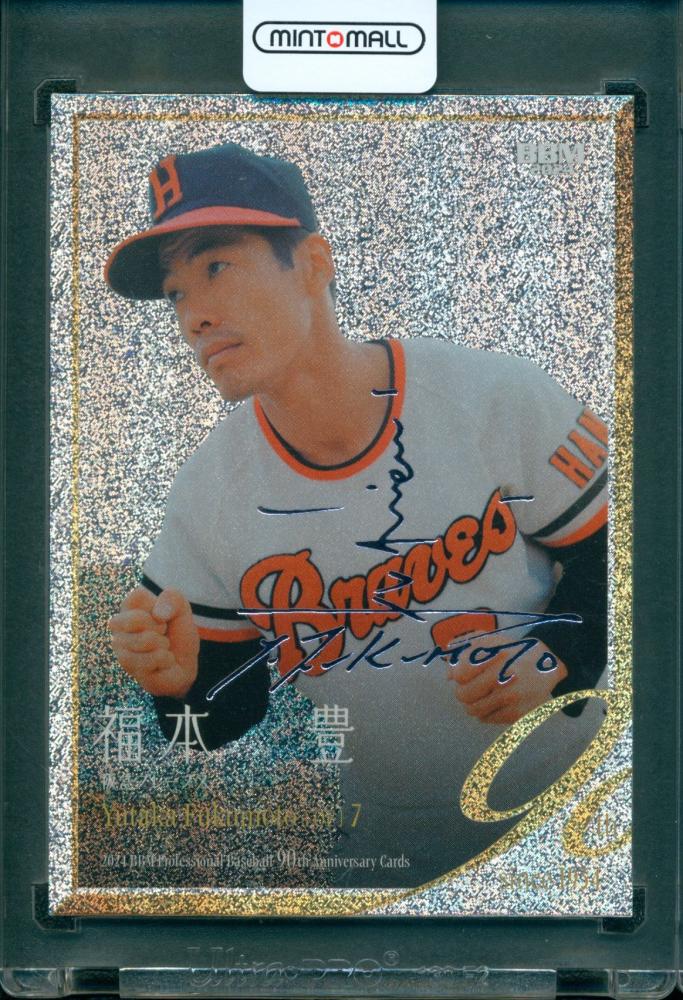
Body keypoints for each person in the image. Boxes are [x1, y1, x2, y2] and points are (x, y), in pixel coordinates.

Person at [105, 142, 608, 886]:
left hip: (579, 797)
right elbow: (213, 724)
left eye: (216, 266)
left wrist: (561, 654)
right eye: (176, 293)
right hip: (393, 839)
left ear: (313, 263)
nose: (194, 316)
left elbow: (634, 559)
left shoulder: (491, 398)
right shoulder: (208, 493)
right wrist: (178, 686)